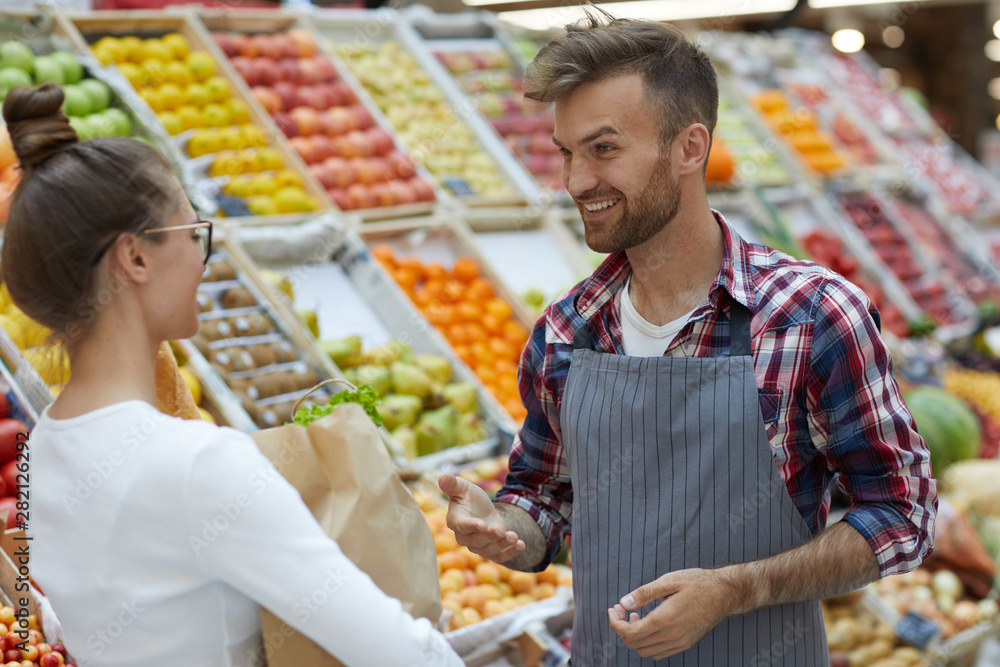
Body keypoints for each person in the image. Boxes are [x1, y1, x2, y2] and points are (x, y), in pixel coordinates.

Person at [439, 13, 937, 666]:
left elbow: (901, 515)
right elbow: (544, 497)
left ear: (689, 148)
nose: (575, 181)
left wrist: (737, 587)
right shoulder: (566, 329)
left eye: (604, 149)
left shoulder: (810, 317)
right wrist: (505, 527)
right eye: (567, 152)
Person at [5, 84, 462, 667]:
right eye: (192, 233)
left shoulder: (41, 448)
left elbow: (71, 622)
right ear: (135, 258)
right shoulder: (200, 464)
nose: (202, 257)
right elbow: (398, 651)